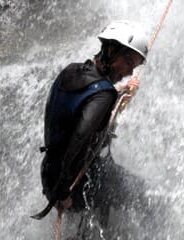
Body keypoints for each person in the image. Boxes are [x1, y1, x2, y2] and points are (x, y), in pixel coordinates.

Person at [35, 20, 149, 220]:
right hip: (75, 185)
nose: (130, 73)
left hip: (49, 175)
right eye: (129, 63)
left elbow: (76, 111)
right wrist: (63, 191)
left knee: (111, 173)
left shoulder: (71, 71)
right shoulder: (104, 95)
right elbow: (81, 136)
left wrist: (118, 94)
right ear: (112, 50)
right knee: (150, 199)